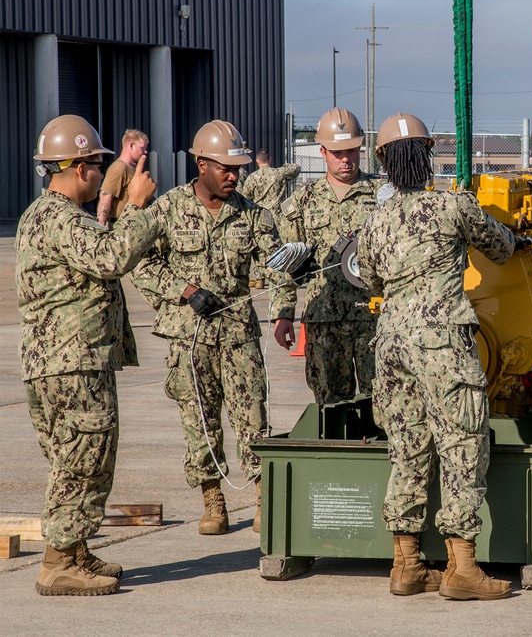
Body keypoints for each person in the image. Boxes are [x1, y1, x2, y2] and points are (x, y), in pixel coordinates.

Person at [357, 112, 523, 601]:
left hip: (390, 347)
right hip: (443, 344)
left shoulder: (374, 222)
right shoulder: (452, 208)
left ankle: (406, 564)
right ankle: (462, 568)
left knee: (407, 449)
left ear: (383, 162)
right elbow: (502, 245)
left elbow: (370, 281)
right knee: (462, 446)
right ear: (428, 158)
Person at [18, 115, 159, 596]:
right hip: (72, 363)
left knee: (79, 457)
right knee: (83, 460)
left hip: (63, 362)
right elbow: (113, 257)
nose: (102, 172)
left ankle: (74, 549)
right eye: (98, 164)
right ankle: (57, 563)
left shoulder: (43, 216)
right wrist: (137, 208)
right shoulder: (58, 218)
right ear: (80, 168)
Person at [132, 120, 285, 536]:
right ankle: (212, 500)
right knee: (199, 421)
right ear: (201, 165)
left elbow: (279, 268)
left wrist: (290, 287)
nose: (235, 175)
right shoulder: (167, 209)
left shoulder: (256, 217)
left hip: (238, 336)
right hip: (189, 337)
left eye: (239, 168)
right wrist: (182, 290)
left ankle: (262, 498)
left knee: (253, 420)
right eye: (226, 168)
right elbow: (141, 263)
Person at [272, 109, 382, 406]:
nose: (346, 159)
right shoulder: (302, 203)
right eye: (337, 153)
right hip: (325, 321)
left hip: (374, 319)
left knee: (384, 402)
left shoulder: (382, 196)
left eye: (352, 151)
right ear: (322, 152)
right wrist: (283, 315)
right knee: (331, 406)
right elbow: (285, 264)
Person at [242, 148, 301, 289]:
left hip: (260, 215)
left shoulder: (252, 177)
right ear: (270, 159)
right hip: (276, 214)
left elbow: (245, 197)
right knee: (277, 246)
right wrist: (284, 167)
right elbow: (296, 169)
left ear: (257, 161)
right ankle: (278, 274)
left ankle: (259, 277)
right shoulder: (278, 173)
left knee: (259, 247)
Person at [96, 129, 149, 227]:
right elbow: (105, 197)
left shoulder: (133, 168)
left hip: (132, 225)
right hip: (118, 226)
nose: (145, 151)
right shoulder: (119, 168)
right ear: (131, 146)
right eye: (142, 148)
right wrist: (101, 225)